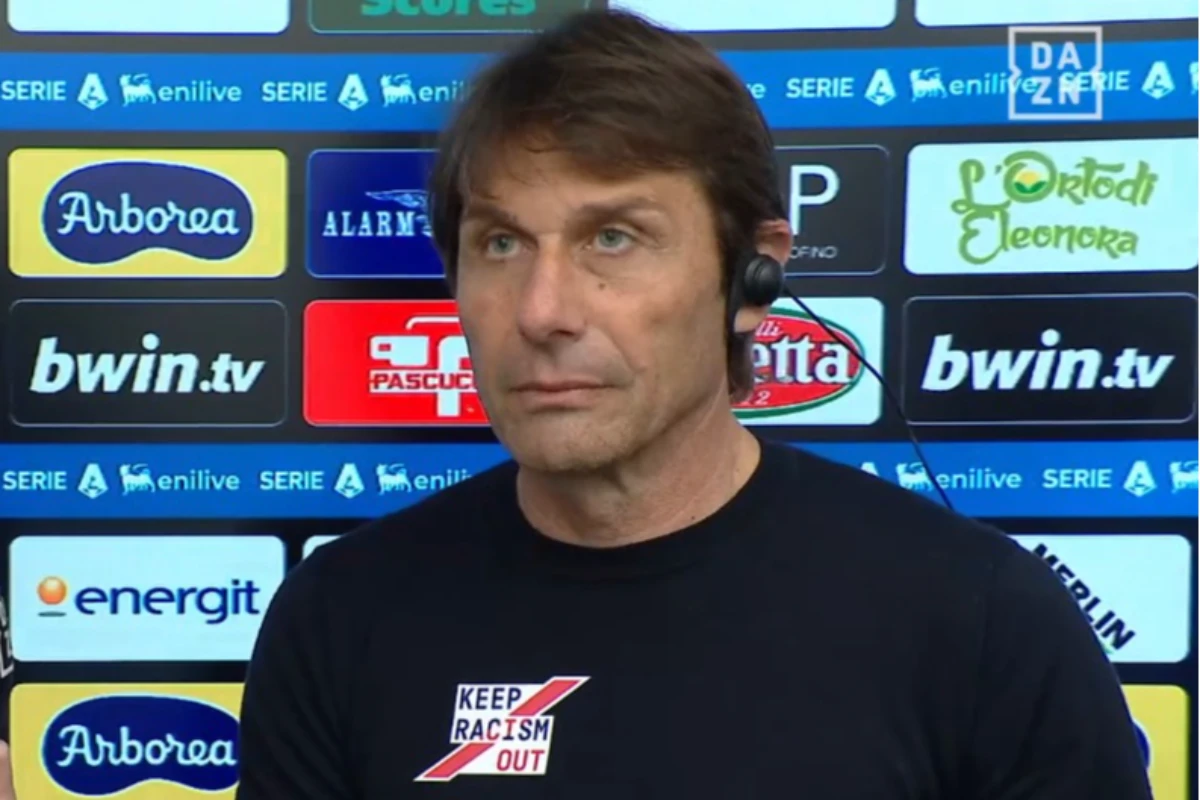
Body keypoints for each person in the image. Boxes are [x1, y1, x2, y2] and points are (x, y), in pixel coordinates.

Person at [233, 8, 1151, 799]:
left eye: (614, 237)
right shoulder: (339, 620)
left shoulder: (981, 621)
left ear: (753, 277)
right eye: (502, 244)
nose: (543, 311)